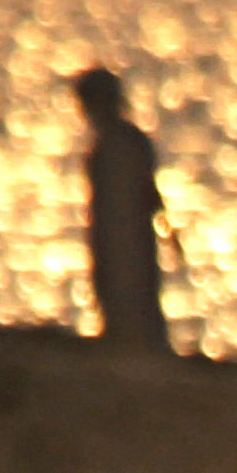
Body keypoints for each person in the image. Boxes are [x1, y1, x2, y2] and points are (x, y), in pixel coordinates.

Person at [70, 66, 170, 356]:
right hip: (129, 241)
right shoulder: (130, 142)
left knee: (130, 302)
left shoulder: (114, 147)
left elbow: (143, 196)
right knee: (133, 306)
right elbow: (152, 197)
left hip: (125, 241)